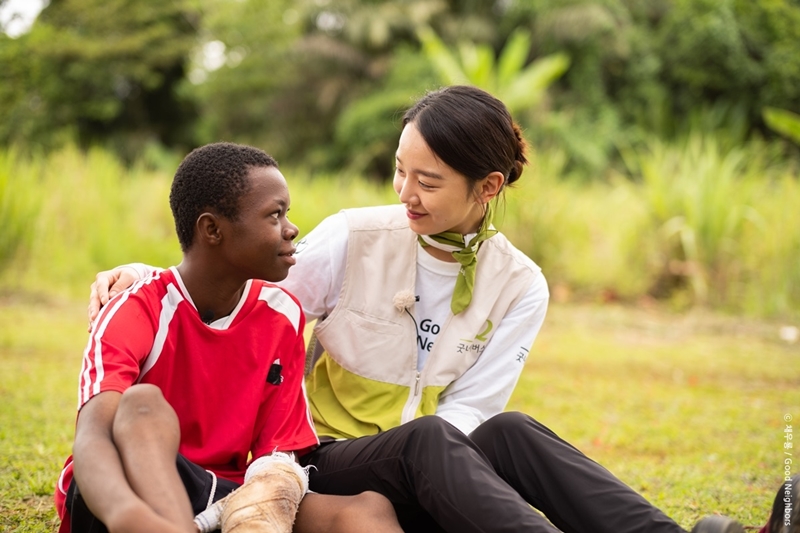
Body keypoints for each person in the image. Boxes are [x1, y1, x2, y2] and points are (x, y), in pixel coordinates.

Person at [88, 87, 762, 533]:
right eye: (399, 169)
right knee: (430, 438)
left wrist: (443, 471)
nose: (405, 191)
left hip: (433, 464)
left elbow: (472, 413)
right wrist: (156, 273)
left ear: (487, 186)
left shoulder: (520, 284)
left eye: (429, 180)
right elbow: (251, 305)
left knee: (512, 430)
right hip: (322, 459)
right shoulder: (355, 235)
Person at [58, 142, 402, 533]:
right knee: (140, 404)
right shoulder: (134, 307)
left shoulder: (282, 314)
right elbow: (93, 439)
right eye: (275, 215)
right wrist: (125, 513)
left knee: (366, 509)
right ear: (212, 230)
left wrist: (259, 504)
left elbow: (277, 453)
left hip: (226, 496)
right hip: (123, 493)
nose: (292, 229)